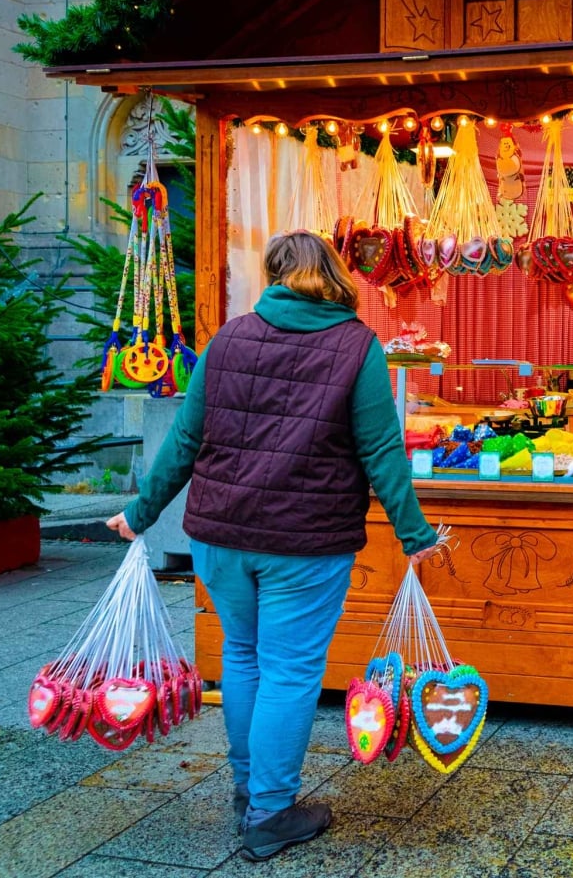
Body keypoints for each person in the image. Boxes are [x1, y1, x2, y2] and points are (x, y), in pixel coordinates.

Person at [107, 231, 439, 861]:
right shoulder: (354, 344)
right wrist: (414, 533)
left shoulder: (228, 338)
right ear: (333, 275)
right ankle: (269, 811)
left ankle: (247, 794)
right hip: (305, 544)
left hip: (220, 536)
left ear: (274, 276)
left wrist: (139, 513)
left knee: (245, 657)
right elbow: (381, 450)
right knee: (288, 670)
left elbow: (184, 440)